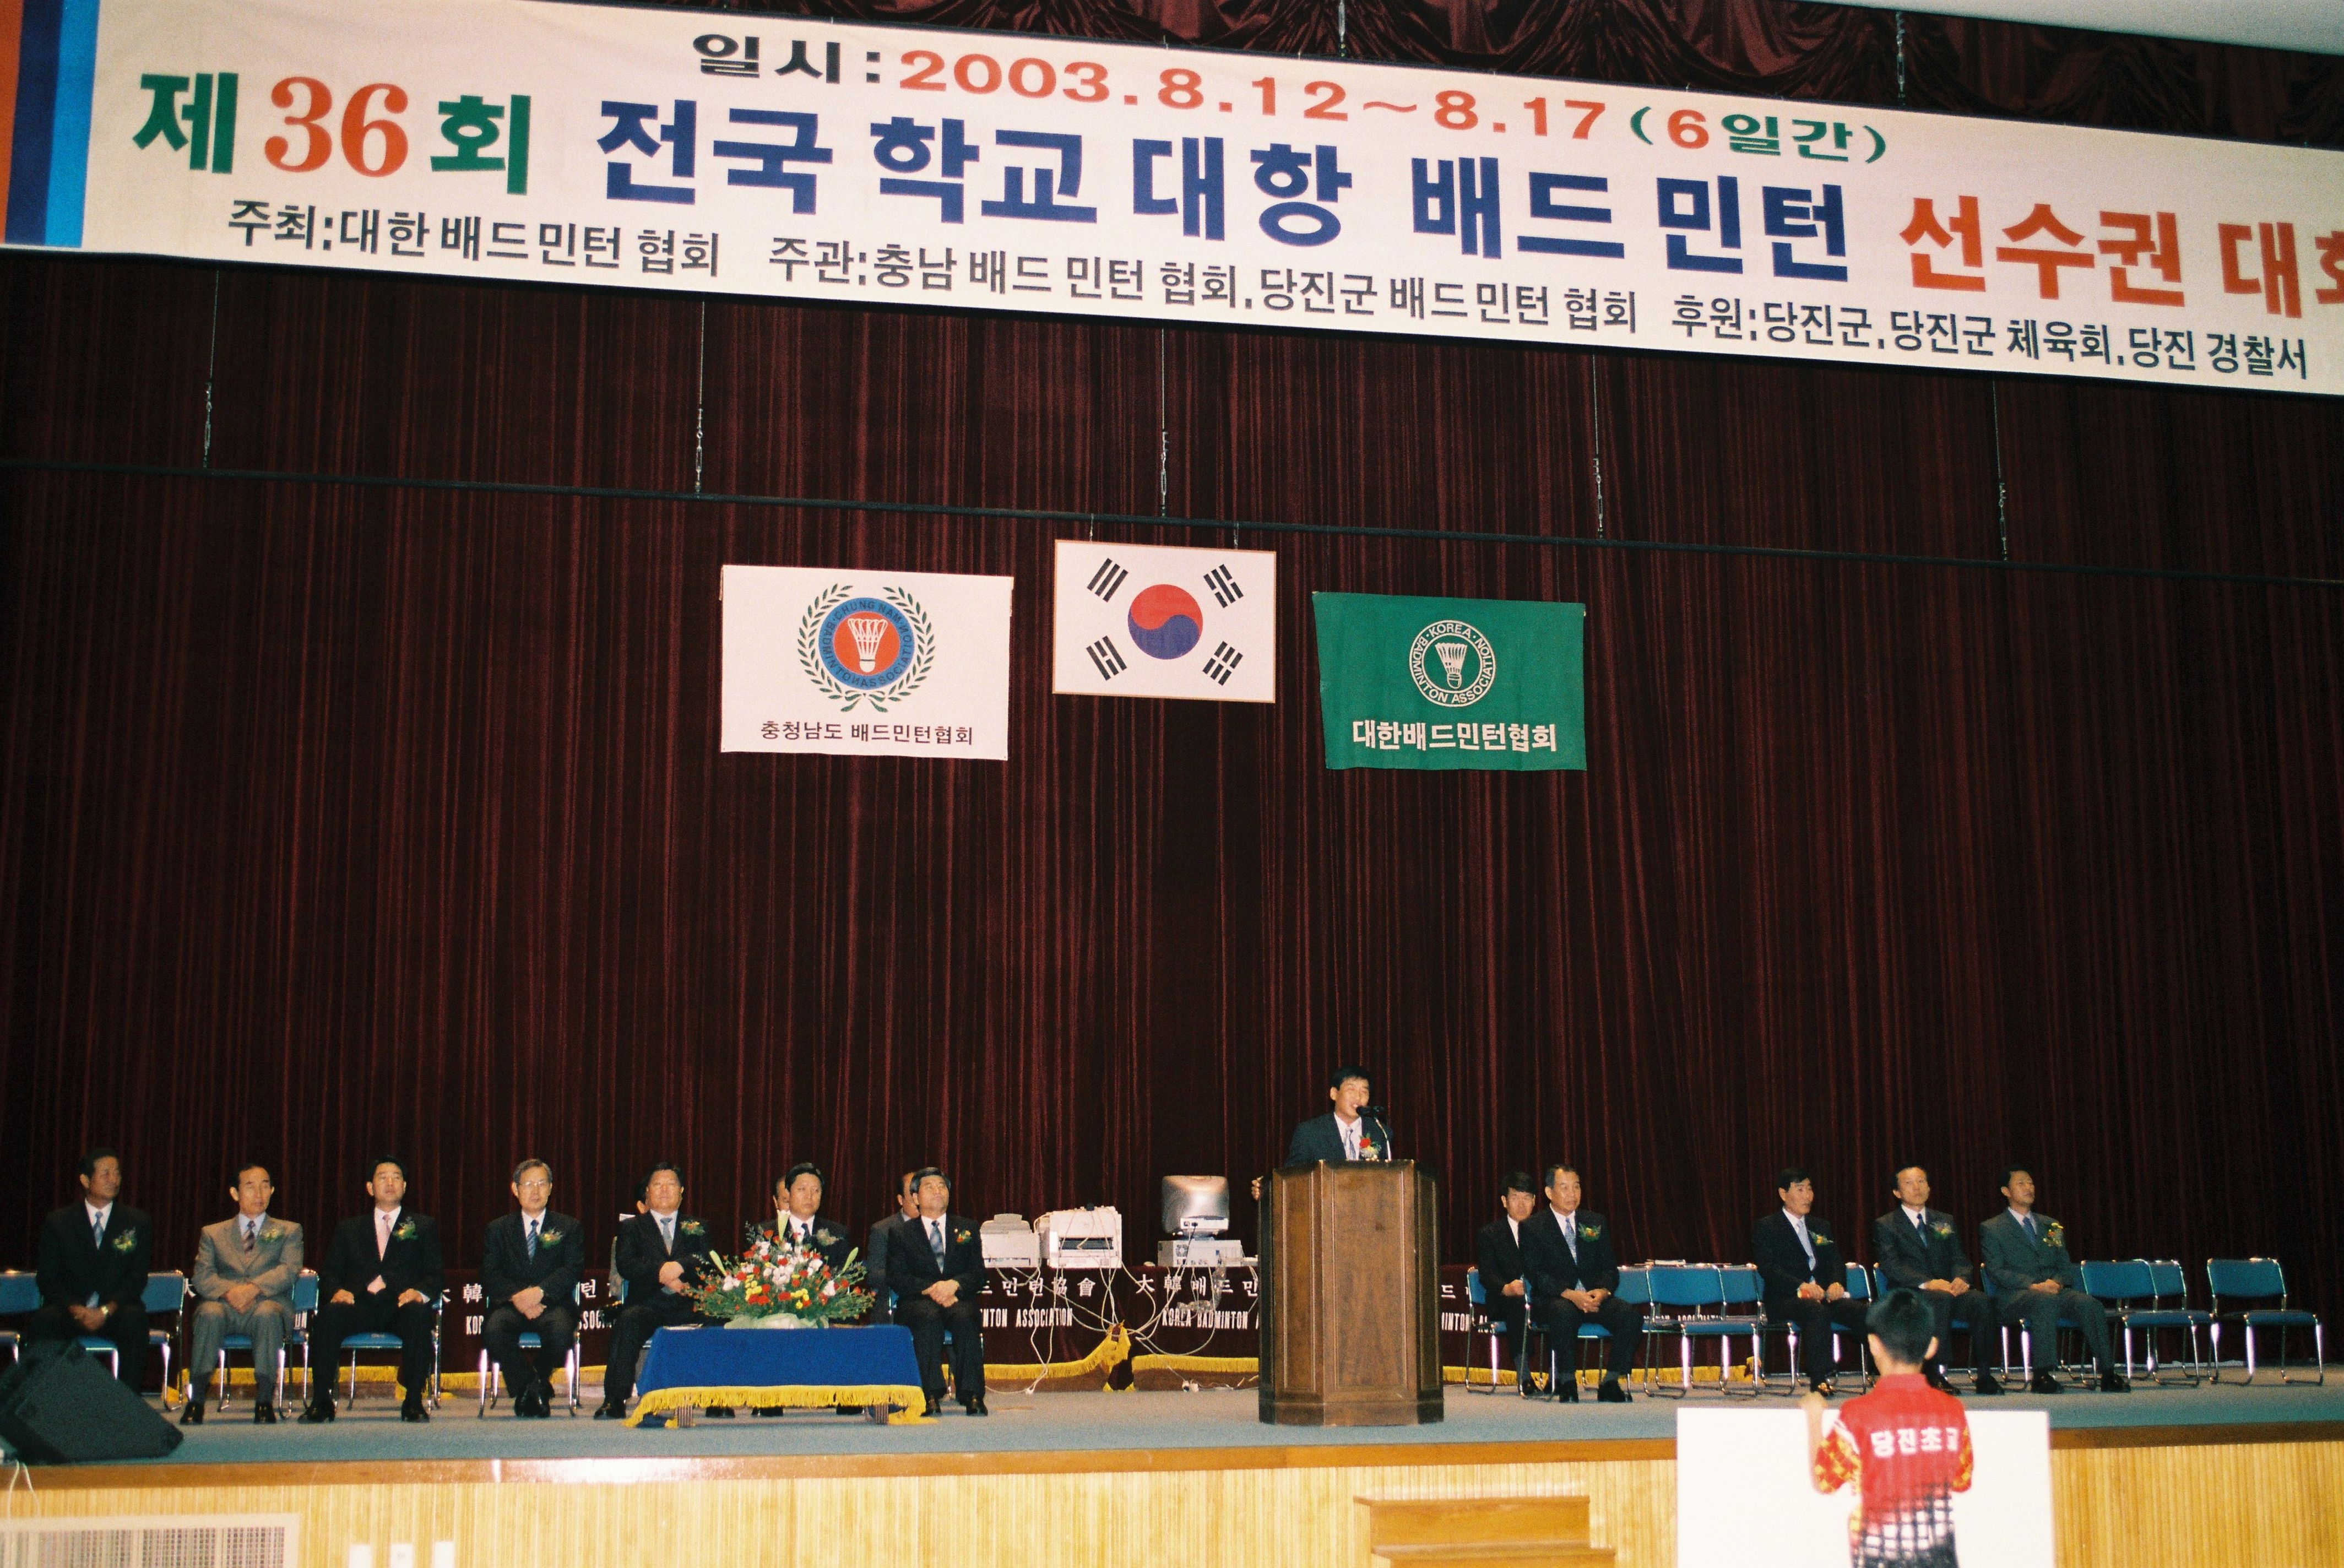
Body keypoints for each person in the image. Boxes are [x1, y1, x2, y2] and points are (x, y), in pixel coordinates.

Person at [1806, 1289, 1974, 1568]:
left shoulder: (1857, 1415)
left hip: (1880, 1557)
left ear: (1873, 1344)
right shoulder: (1952, 1411)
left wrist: (1814, 1417)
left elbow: (1824, 1480)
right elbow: (1961, 1479)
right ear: (1932, 1347)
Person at [302, 1157, 444, 1423]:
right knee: (327, 1317)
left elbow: (435, 1274)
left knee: (419, 1315)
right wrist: (337, 1291)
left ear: (405, 1186)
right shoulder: (349, 1228)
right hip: (358, 1304)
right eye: (382, 1177)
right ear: (370, 1187)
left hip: (400, 1305)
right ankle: (321, 1401)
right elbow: (330, 1272)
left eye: (396, 1177)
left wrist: (419, 1293)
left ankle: (413, 1401)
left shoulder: (423, 1226)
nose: (390, 1182)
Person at [1977, 1168, 2129, 1393]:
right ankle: (2042, 1375)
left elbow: (2065, 1267)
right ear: (2006, 1191)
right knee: (2043, 1302)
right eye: (2021, 1183)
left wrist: (2057, 1282)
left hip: (2053, 1290)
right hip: (2014, 1295)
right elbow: (1996, 1271)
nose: (2029, 1188)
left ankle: (2108, 1372)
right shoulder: (1992, 1228)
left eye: (2031, 1183)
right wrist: (2032, 1285)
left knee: (2090, 1304)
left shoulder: (2051, 1225)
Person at [599, 1162, 725, 1421]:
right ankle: (615, 1399)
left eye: (671, 1184)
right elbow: (627, 1264)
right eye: (658, 1184)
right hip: (648, 1304)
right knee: (628, 1320)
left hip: (689, 1301)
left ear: (682, 1192)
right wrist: (662, 1273)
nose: (665, 1190)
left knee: (719, 1318)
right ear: (647, 1192)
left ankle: (717, 1398)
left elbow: (707, 1260)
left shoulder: (699, 1225)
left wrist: (680, 1266)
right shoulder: (632, 1227)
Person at [25, 1149, 154, 1391]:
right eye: (106, 1173)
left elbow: (136, 1279)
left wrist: (106, 1310)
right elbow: (48, 1279)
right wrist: (77, 1310)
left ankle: (126, 1402)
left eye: (117, 1173)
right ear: (85, 1180)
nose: (114, 1179)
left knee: (135, 1320)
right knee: (45, 1321)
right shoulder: (58, 1222)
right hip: (71, 1309)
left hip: (115, 1310)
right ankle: (43, 1399)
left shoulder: (137, 1222)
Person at [184, 1162, 303, 1423]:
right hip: (223, 1304)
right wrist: (230, 1292)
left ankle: (264, 1400)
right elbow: (202, 1276)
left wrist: (254, 1289)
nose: (259, 1193)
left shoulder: (289, 1230)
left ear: (272, 1191)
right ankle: (196, 1400)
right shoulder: (213, 1233)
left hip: (267, 1301)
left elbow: (289, 1269)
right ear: (235, 1193)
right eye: (250, 1186)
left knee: (267, 1315)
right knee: (209, 1314)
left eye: (265, 1186)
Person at [1872, 1165, 2001, 1396]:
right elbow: (1892, 1266)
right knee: (1939, 1299)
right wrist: (1928, 1283)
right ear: (1897, 1192)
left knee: (1981, 1302)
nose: (1917, 1187)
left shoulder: (1944, 1220)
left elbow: (1959, 1258)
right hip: (1911, 1294)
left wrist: (1961, 1278)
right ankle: (1935, 1374)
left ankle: (1984, 1374)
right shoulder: (1886, 1224)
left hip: (1948, 1291)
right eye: (1909, 1183)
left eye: (1922, 1181)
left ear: (1929, 1187)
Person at [1519, 1163, 1638, 1403]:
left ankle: (1610, 1382)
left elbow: (1610, 1268)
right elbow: (1536, 1274)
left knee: (1631, 1316)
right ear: (1549, 1192)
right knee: (1562, 1313)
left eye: (1576, 1187)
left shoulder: (1595, 1221)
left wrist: (1602, 1292)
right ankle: (1567, 1382)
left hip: (1594, 1298)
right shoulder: (1533, 1227)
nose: (1572, 1194)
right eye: (1564, 1188)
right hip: (1556, 1299)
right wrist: (1570, 1294)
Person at [479, 1158, 583, 1418]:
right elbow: (490, 1273)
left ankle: (531, 1387)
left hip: (553, 1304)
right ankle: (533, 1386)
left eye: (541, 1184)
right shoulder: (498, 1229)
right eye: (528, 1184)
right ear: (515, 1189)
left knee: (561, 1332)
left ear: (550, 1188)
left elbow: (572, 1269)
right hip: (510, 1305)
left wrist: (540, 1293)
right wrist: (519, 1298)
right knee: (494, 1331)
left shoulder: (569, 1227)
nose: (535, 1191)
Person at [1753, 1166, 1870, 1395]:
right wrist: (1801, 1286)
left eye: (1810, 1189)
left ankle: (1887, 1372)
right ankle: (1820, 1378)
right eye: (1800, 1190)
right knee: (1816, 1312)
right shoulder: (1767, 1227)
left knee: (1864, 1312)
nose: (1808, 1196)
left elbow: (1835, 1260)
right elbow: (1769, 1269)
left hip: (1822, 1296)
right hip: (1786, 1299)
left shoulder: (1820, 1226)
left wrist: (1837, 1283)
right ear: (1783, 1194)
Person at [886, 1167, 986, 1417]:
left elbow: (978, 1273)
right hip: (918, 1301)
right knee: (927, 1318)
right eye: (929, 1187)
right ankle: (929, 1394)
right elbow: (897, 1277)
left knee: (965, 1318)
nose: (937, 1191)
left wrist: (954, 1285)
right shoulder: (901, 1233)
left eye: (942, 1186)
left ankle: (972, 1394)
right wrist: (933, 1289)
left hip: (957, 1297)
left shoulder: (967, 1228)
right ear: (915, 1198)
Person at [1473, 1173, 1541, 1396]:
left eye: (1527, 1198)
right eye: (1515, 1198)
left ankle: (1560, 1378)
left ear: (1534, 1201)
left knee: (1561, 1308)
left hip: (1539, 1298)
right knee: (1519, 1304)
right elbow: (1487, 1274)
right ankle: (1524, 1376)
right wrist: (1507, 1288)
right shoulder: (1490, 1234)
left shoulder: (1544, 1232)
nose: (1521, 1204)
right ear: (1504, 1201)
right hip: (1504, 1300)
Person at [1284, 1065, 1393, 1165]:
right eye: (1351, 1089)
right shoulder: (1309, 1132)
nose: (1358, 1097)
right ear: (1334, 1094)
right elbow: (1294, 1175)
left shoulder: (1381, 1133)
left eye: (1364, 1091)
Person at [773, 1163, 854, 1271]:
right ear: (788, 1193)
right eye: (802, 1189)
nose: (809, 1196)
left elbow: (846, 1276)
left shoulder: (839, 1234)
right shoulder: (767, 1234)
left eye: (816, 1191)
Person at [865, 1169, 920, 1323]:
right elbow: (875, 1275)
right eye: (913, 1197)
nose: (919, 1203)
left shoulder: (937, 1227)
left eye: (921, 1195)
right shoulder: (883, 1230)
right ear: (901, 1200)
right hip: (896, 1300)